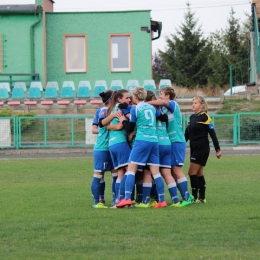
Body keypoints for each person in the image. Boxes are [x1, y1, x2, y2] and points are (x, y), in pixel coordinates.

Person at [116, 86, 167, 208]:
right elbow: (163, 118)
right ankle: (162, 201)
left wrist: (123, 120)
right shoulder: (151, 107)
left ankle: (127, 199)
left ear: (134, 97)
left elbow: (130, 127)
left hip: (141, 141)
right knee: (155, 172)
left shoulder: (135, 109)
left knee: (131, 169)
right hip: (154, 141)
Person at [148, 86, 194, 205]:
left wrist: (145, 103)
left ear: (168, 96)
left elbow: (162, 102)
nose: (160, 97)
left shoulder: (173, 104)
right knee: (171, 172)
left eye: (162, 94)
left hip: (177, 141)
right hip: (169, 142)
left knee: (176, 169)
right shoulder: (163, 108)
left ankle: (187, 197)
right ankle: (184, 196)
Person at [185, 95, 221, 203]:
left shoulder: (205, 117)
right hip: (193, 147)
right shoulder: (191, 117)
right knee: (199, 173)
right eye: (193, 102)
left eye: (195, 103)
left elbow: (213, 134)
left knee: (191, 172)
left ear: (202, 105)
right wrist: (180, 145)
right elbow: (187, 134)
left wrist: (217, 149)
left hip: (202, 147)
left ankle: (194, 197)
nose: (193, 105)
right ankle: (202, 198)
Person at [99, 89, 132, 206]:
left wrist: (116, 126)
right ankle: (126, 199)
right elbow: (131, 121)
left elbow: (106, 126)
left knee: (121, 173)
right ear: (119, 99)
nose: (129, 100)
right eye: (127, 98)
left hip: (112, 145)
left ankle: (118, 200)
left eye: (130, 97)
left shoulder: (112, 109)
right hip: (120, 143)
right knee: (131, 171)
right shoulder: (121, 108)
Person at [90, 90, 118, 208]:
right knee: (99, 174)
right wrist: (105, 128)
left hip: (111, 146)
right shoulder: (104, 111)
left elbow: (96, 129)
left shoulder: (111, 111)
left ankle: (113, 200)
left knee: (115, 173)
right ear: (111, 99)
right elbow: (95, 129)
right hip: (103, 148)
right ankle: (98, 201)